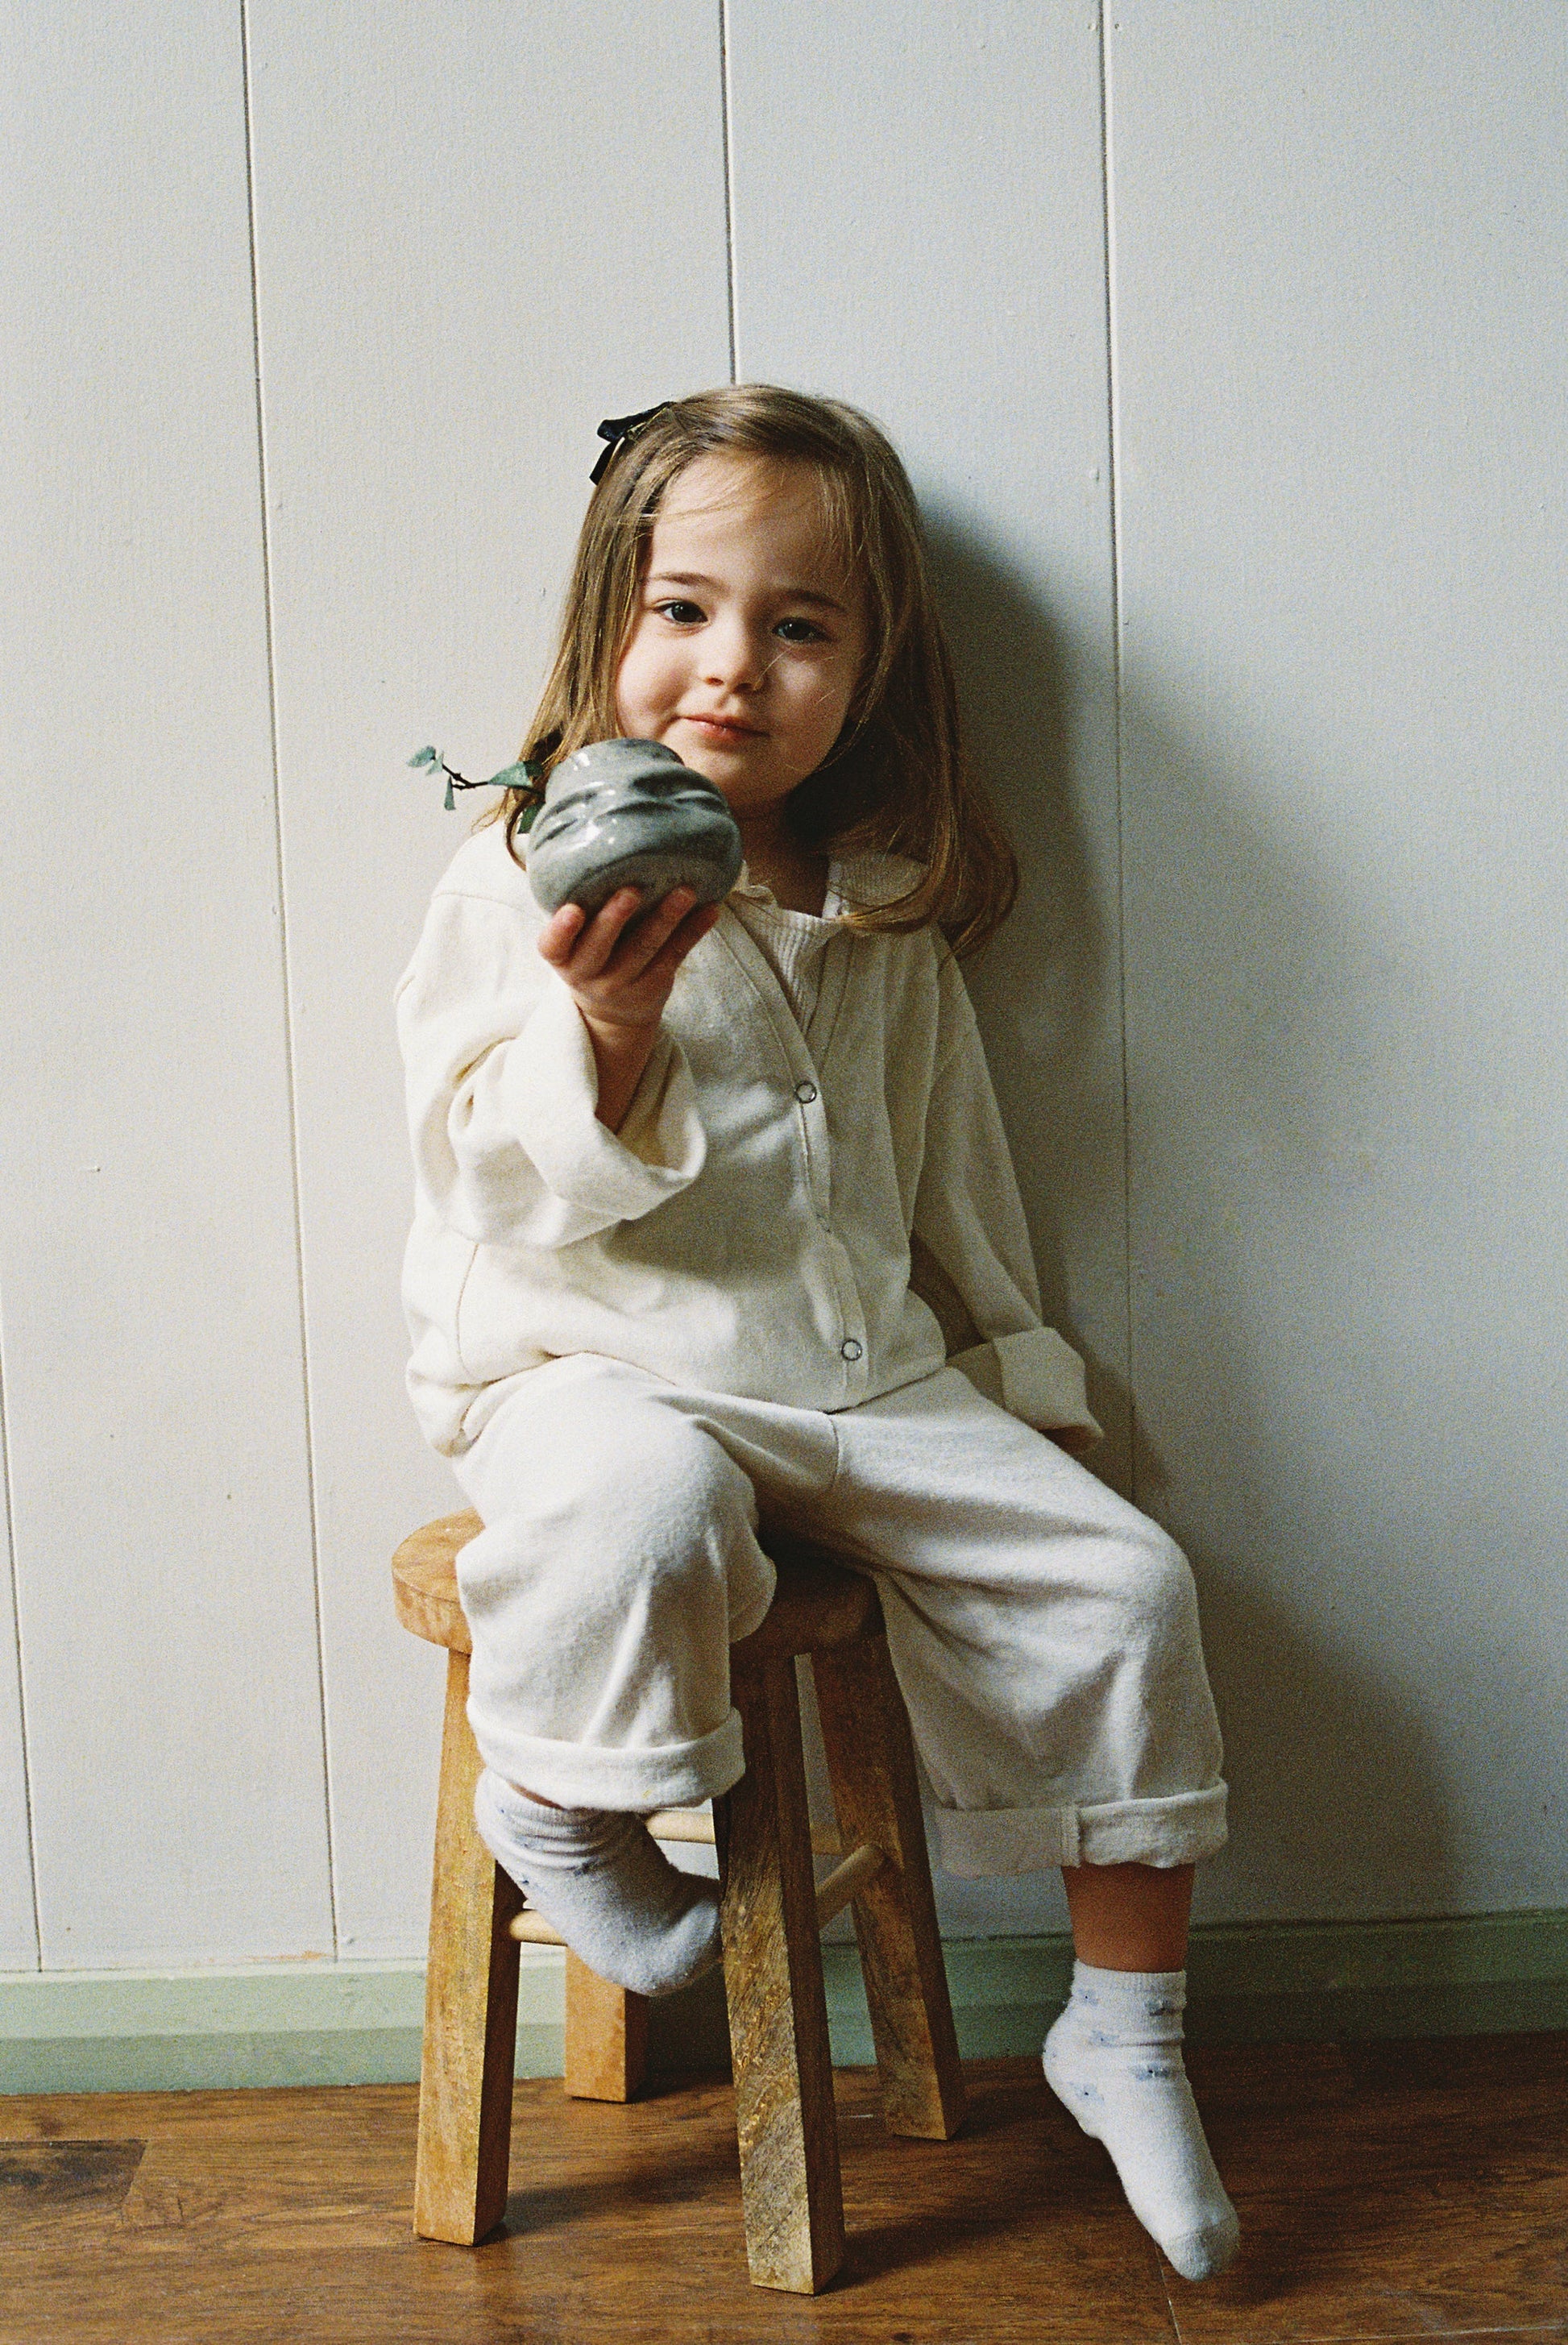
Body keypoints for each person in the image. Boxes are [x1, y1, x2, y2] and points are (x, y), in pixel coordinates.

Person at [396, 386, 1238, 2281]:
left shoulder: (880, 908)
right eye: (684, 610)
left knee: (1125, 1590)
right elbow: (473, 1173)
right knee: (637, 1509)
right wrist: (598, 1039)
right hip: (591, 1363)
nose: (731, 669)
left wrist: (1020, 1374)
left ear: (870, 671)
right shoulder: (521, 877)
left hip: (858, 1376)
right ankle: (561, 1794)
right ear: (610, 620)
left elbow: (956, 1177)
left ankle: (1124, 2032)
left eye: (799, 627)